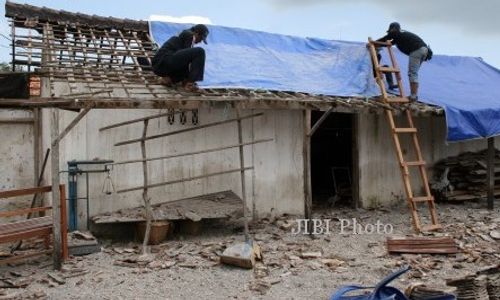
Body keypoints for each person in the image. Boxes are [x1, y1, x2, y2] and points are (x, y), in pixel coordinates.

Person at [376, 22, 431, 101]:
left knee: (412, 73)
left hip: (417, 50)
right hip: (424, 50)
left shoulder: (396, 33)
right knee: (414, 73)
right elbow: (389, 43)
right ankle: (414, 95)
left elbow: (386, 38)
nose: (391, 32)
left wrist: (374, 43)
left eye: (392, 30)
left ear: (394, 29)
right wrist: (380, 44)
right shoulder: (401, 36)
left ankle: (413, 96)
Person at [152, 24, 209, 92]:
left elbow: (184, 62)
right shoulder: (190, 35)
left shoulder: (184, 35)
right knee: (200, 51)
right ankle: (190, 85)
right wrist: (191, 80)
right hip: (165, 60)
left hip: (160, 65)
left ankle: (168, 79)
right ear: (196, 33)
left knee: (185, 71)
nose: (200, 41)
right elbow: (188, 61)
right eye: (201, 38)